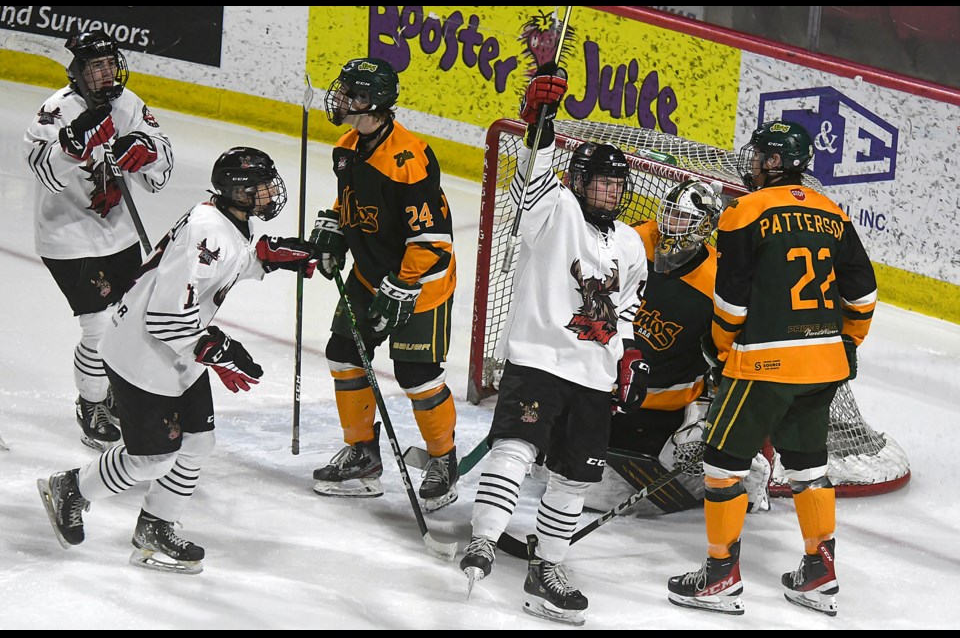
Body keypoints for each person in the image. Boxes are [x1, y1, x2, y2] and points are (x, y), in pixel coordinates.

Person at [37, 147, 319, 574]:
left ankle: (155, 527)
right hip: (143, 357)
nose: (268, 193)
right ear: (237, 191)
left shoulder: (224, 222)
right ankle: (72, 488)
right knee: (152, 458)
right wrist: (217, 351)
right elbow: (166, 316)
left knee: (198, 444)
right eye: (259, 187)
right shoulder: (210, 233)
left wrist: (263, 258)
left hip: (176, 356)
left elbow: (215, 270)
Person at [457, 63, 649, 626]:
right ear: (580, 182)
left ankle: (548, 569)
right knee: (515, 447)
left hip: (592, 374)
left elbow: (629, 305)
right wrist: (540, 118)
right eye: (600, 185)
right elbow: (532, 174)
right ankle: (485, 540)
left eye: (617, 187)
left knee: (576, 475)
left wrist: (630, 353)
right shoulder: (553, 209)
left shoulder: (633, 243)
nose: (609, 195)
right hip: (539, 359)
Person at [666, 120, 878, 617]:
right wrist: (847, 342)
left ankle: (720, 576)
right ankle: (819, 573)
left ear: (775, 163)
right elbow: (863, 292)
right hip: (824, 365)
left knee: (721, 467)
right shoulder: (832, 212)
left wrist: (718, 347)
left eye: (761, 155)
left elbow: (731, 297)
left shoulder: (744, 211)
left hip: (763, 364)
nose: (754, 161)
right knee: (809, 469)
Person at [308, 57, 459, 513]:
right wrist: (335, 224)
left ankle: (443, 460)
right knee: (343, 353)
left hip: (422, 281)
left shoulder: (410, 160)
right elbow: (350, 199)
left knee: (417, 375)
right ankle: (364, 456)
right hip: (371, 274)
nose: (341, 99)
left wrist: (404, 285)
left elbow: (432, 239)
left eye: (351, 93)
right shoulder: (347, 145)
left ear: (374, 103)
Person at [23, 32, 174, 452]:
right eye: (96, 66)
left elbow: (162, 162)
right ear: (77, 71)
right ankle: (91, 404)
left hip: (119, 234)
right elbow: (41, 169)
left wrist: (146, 151)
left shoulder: (129, 104)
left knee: (128, 323)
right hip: (68, 238)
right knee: (101, 325)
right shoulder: (56, 111)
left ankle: (111, 390)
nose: (107, 72)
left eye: (111, 63)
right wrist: (71, 146)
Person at [584, 179, 771, 517]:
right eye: (668, 214)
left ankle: (744, 468)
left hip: (664, 413)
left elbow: (728, 357)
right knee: (557, 472)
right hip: (603, 394)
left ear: (704, 226)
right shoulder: (635, 242)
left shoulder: (719, 283)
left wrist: (713, 418)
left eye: (682, 218)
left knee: (606, 490)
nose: (670, 225)